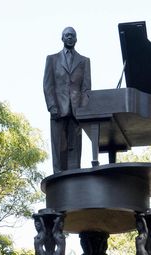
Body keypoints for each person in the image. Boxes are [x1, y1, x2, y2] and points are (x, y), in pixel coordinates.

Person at [43, 26, 91, 173]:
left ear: (76, 39)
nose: (70, 37)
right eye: (67, 35)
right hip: (58, 110)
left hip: (76, 112)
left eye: (72, 35)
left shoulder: (84, 61)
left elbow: (86, 88)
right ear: (62, 38)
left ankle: (74, 176)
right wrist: (52, 107)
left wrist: (82, 110)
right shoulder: (52, 59)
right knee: (58, 148)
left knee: (75, 150)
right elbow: (47, 85)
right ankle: (58, 177)